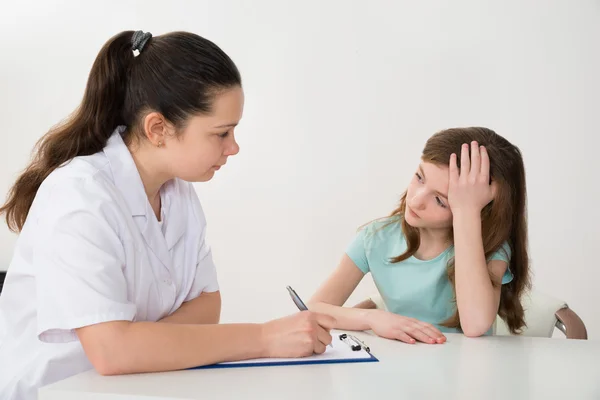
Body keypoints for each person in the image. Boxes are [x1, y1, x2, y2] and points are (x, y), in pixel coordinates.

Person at [0, 30, 334, 400]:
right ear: (158, 128)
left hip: (134, 387)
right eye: (221, 133)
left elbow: (208, 306)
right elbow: (112, 352)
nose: (234, 147)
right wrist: (263, 337)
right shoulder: (78, 197)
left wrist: (139, 342)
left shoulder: (178, 193)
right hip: (52, 391)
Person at [308, 127, 531, 344]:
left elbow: (476, 325)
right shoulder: (375, 238)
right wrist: (373, 318)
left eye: (440, 200)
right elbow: (313, 310)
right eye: (419, 177)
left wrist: (466, 211)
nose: (415, 201)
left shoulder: (489, 249)